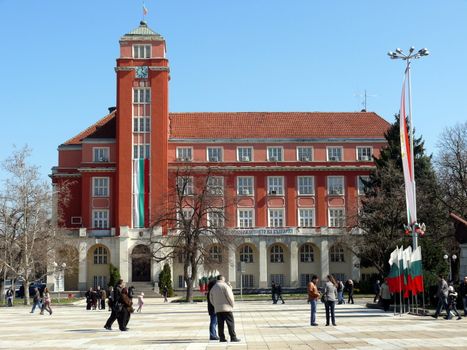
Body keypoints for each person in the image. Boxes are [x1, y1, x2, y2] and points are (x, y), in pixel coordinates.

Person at [209, 275, 240, 343]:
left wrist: (215, 305)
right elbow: (230, 296)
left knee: (220, 324)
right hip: (227, 308)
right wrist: (232, 305)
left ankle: (222, 338)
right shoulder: (225, 286)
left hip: (218, 309)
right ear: (222, 279)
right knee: (230, 323)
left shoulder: (213, 287)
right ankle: (233, 337)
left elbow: (211, 299)